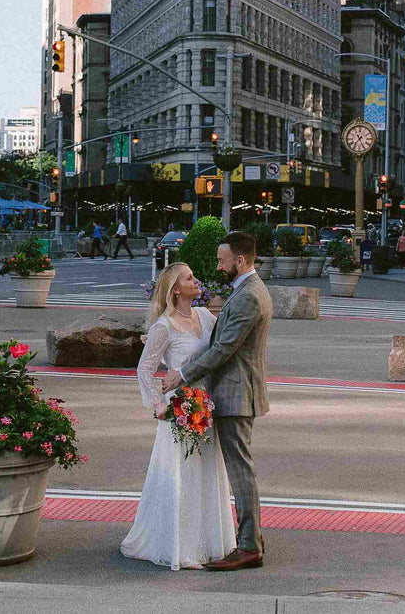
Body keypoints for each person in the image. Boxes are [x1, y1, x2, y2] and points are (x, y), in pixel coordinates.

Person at [160, 230, 272, 571]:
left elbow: (224, 349)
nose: (218, 266)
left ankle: (250, 546)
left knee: (241, 471)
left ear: (240, 260)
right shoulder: (245, 291)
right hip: (235, 391)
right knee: (240, 468)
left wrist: (182, 374)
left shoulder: (249, 296)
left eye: (223, 260)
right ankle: (250, 540)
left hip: (237, 394)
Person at [121, 262, 236, 570]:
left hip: (206, 406)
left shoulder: (203, 316)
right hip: (181, 409)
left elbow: (218, 351)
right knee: (182, 477)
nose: (195, 280)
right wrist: (157, 404)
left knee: (206, 474)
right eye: (189, 278)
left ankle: (208, 543)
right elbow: (145, 369)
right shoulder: (164, 326)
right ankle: (181, 547)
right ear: (175, 289)